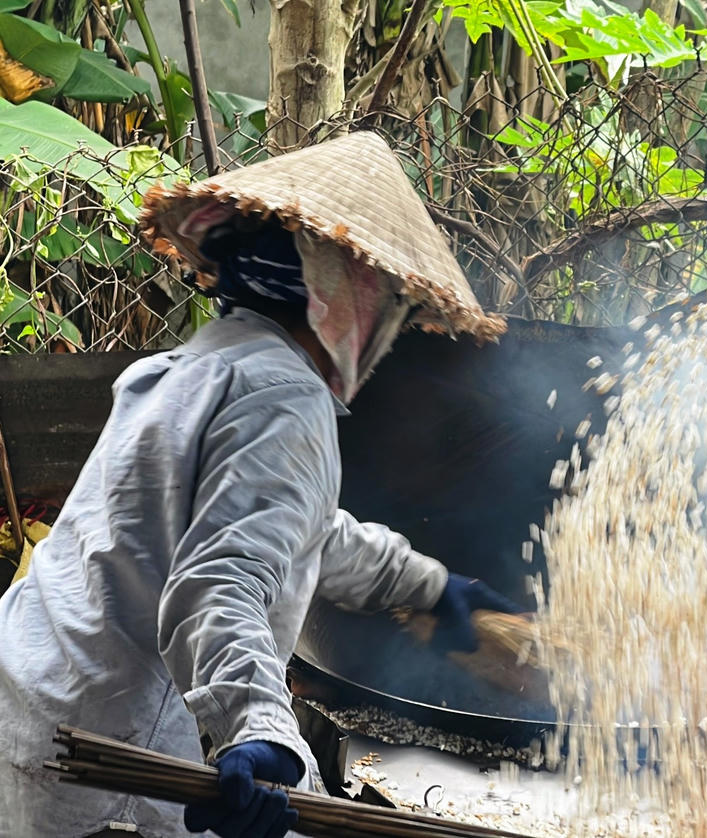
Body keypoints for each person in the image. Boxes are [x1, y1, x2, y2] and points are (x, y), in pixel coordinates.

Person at [0, 133, 518, 838]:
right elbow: (222, 577)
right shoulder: (283, 395)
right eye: (387, 305)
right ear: (345, 298)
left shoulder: (203, 364)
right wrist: (257, 728)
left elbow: (292, 524)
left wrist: (425, 585)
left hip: (37, 698)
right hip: (111, 749)